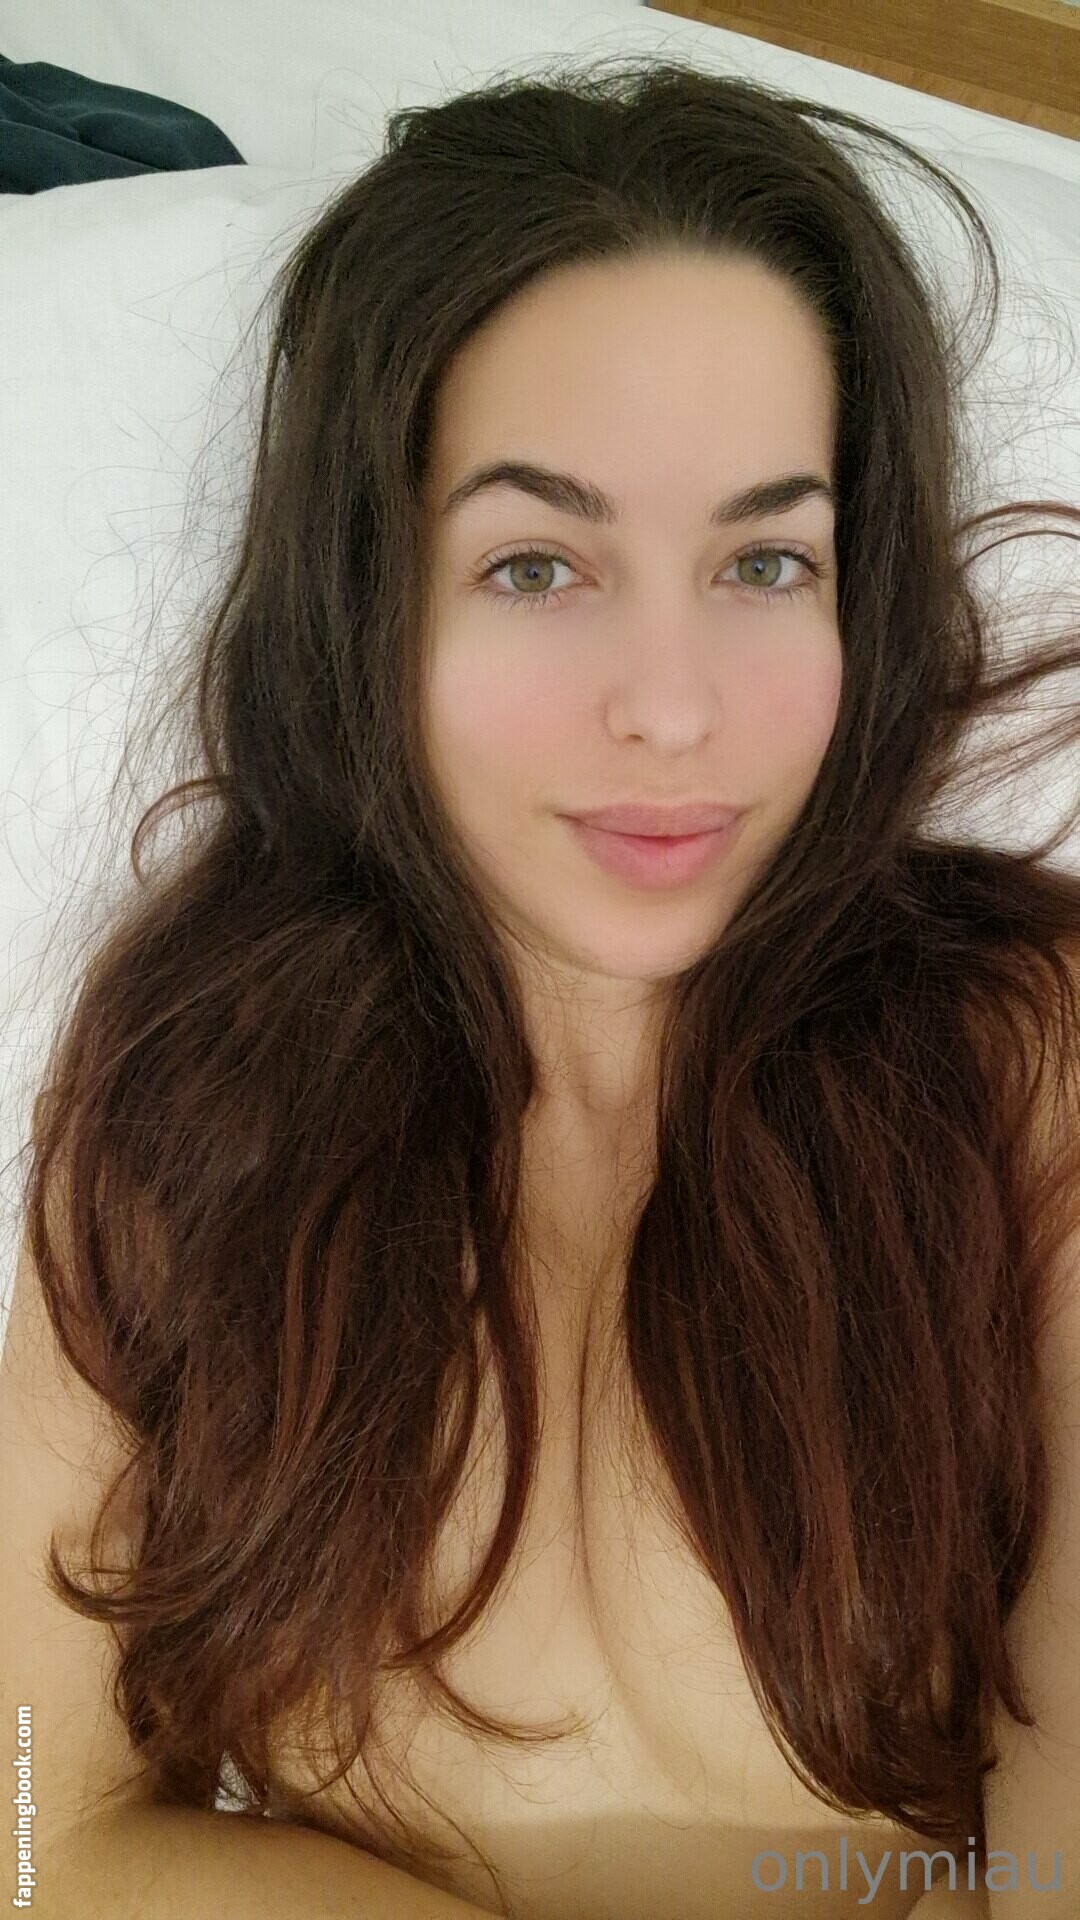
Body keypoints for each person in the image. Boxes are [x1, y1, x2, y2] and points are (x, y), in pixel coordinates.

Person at [4, 54, 1080, 1920]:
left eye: (765, 559)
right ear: (376, 601)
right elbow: (34, 1831)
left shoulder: (1026, 1065)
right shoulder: (199, 1090)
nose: (670, 708)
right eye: (535, 566)